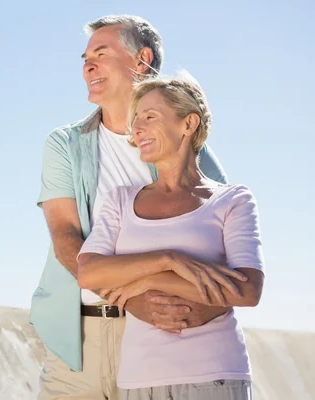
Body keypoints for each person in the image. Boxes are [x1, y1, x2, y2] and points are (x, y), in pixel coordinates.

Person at [31, 15, 230, 399]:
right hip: (78, 344)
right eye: (85, 57)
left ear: (141, 61)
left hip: (159, 338)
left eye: (101, 54)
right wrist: (132, 298)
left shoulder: (187, 145)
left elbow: (221, 235)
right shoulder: (65, 145)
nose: (88, 65)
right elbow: (66, 240)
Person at [77, 72, 264, 400]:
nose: (137, 127)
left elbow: (247, 289)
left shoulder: (232, 199)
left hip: (216, 376)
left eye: (150, 117)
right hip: (139, 380)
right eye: (136, 119)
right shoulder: (120, 200)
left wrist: (141, 282)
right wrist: (171, 261)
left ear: (188, 124)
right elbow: (89, 272)